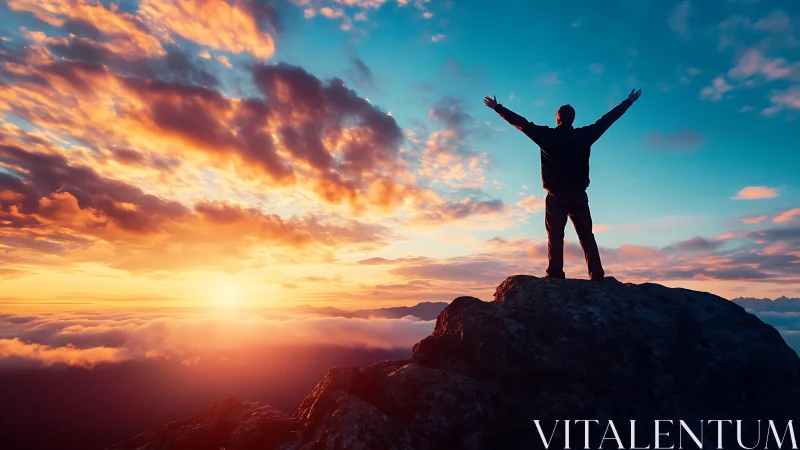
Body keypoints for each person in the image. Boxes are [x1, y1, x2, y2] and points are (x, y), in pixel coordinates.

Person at [484, 88, 643, 280]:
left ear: (558, 119)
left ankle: (555, 274)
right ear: (572, 119)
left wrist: (497, 107)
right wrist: (628, 101)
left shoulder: (546, 136)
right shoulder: (585, 135)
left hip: (556, 196)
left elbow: (522, 124)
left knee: (555, 236)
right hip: (578, 195)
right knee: (586, 236)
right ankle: (597, 274)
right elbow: (606, 121)